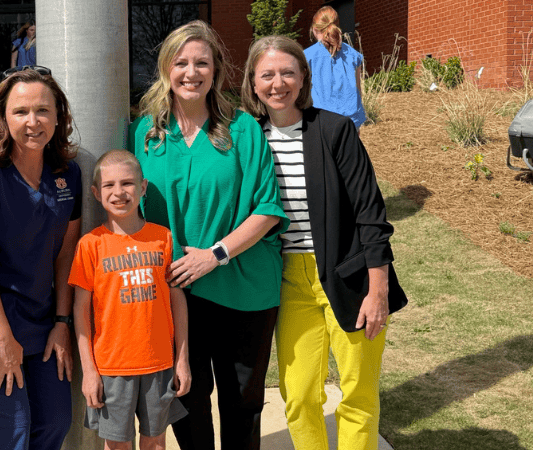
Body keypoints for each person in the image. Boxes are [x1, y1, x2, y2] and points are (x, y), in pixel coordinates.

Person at [241, 35, 408, 450]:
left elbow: (371, 213)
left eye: (287, 73)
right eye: (267, 74)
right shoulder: (249, 138)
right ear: (253, 82)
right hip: (288, 282)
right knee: (297, 395)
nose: (277, 83)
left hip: (348, 276)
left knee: (357, 393)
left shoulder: (334, 130)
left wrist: (378, 288)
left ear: (303, 78)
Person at [129, 20, 289, 450]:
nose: (191, 72)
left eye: (202, 62)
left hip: (244, 287)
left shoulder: (243, 130)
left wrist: (214, 254)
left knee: (242, 403)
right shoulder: (142, 135)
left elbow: (267, 208)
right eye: (181, 62)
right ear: (166, 69)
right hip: (176, 290)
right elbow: (122, 208)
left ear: (217, 70)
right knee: (187, 398)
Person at [0, 66, 80, 450]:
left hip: (43, 323)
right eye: (21, 111)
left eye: (42, 110)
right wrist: (4, 339)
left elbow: (66, 255)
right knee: (12, 435)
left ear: (58, 115)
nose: (33, 121)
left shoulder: (67, 173)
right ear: (3, 117)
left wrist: (62, 321)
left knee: (55, 424)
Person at [69, 150, 190, 450]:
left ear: (143, 187)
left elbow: (177, 302)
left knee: (156, 443)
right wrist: (90, 371)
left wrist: (182, 359)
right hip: (112, 366)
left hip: (159, 362)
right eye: (109, 185)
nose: (119, 192)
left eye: (127, 183)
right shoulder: (90, 245)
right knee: (117, 446)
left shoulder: (163, 237)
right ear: (96, 193)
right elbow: (80, 311)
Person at [304, 6, 367, 129]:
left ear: (315, 29)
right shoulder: (354, 55)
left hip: (320, 122)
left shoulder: (306, 56)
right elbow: (358, 90)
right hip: (351, 121)